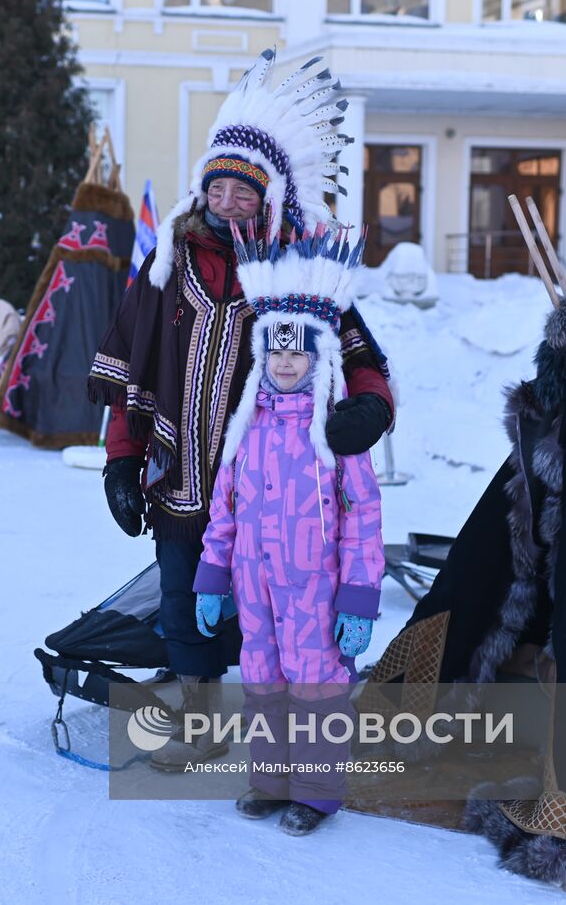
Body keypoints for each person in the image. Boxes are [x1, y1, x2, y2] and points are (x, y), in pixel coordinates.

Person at [88, 49, 393, 769]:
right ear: (203, 187)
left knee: (280, 612)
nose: (229, 204)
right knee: (180, 595)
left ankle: (294, 736)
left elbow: (360, 356)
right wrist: (121, 463)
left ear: (272, 197)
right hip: (180, 474)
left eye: (245, 193)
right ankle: (200, 712)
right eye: (218, 188)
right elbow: (131, 368)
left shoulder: (300, 268)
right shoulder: (168, 266)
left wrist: (369, 411)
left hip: (278, 488)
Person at [192, 227, 385, 836]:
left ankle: (317, 792)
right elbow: (224, 510)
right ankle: (270, 780)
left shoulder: (335, 435)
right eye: (275, 354)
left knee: (315, 684)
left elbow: (364, 518)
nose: (284, 363)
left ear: (319, 359)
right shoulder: (245, 430)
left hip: (314, 590)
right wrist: (211, 576)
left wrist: (358, 597)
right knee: (262, 678)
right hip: (254, 586)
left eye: (298, 354)